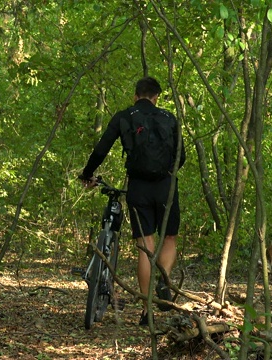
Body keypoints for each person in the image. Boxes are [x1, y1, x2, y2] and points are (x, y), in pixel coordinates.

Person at [78, 76, 186, 326]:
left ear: (136, 96)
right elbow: (181, 157)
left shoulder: (124, 116)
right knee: (169, 237)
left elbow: (102, 148)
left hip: (138, 186)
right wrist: (168, 172)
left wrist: (87, 174)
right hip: (166, 186)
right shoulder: (169, 118)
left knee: (145, 245)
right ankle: (164, 279)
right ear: (156, 97)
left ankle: (147, 312)